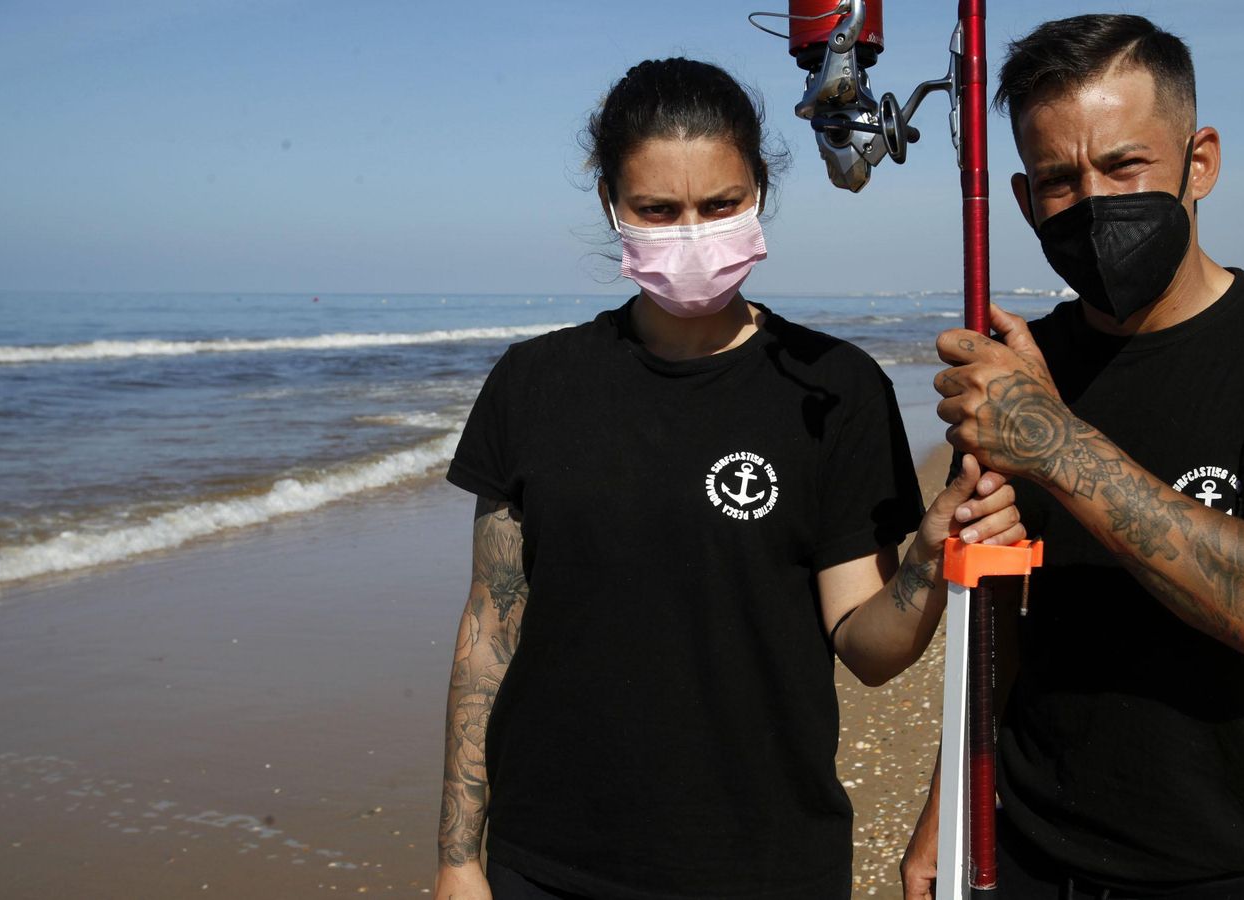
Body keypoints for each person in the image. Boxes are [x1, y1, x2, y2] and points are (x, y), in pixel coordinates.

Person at [433, 58, 1025, 900]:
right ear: (611, 203)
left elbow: (868, 648)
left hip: (766, 862)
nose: (691, 234)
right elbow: (488, 633)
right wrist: (459, 857)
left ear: (758, 193)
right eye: (656, 211)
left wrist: (929, 554)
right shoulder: (533, 385)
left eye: (719, 205)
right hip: (548, 862)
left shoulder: (834, 388)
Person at [902, 15, 1244, 900]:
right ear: (1023, 201)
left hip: (1232, 863)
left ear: (1200, 161)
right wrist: (945, 814)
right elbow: (1006, 625)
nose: (1094, 201)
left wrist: (1055, 444)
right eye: (1060, 180)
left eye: (1125, 164)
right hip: (1031, 849)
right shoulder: (1028, 362)